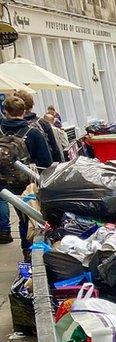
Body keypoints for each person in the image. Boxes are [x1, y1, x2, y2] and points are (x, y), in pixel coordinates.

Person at [0, 96, 53, 255]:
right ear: (24, 111)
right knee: (27, 216)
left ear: (5, 112)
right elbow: (46, 161)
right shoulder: (33, 133)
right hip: (27, 182)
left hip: (3, 181)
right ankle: (27, 249)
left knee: (13, 209)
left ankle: (4, 230)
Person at [14, 90, 63, 163]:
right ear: (31, 105)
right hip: (42, 168)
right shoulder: (42, 122)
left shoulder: (6, 126)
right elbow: (55, 149)